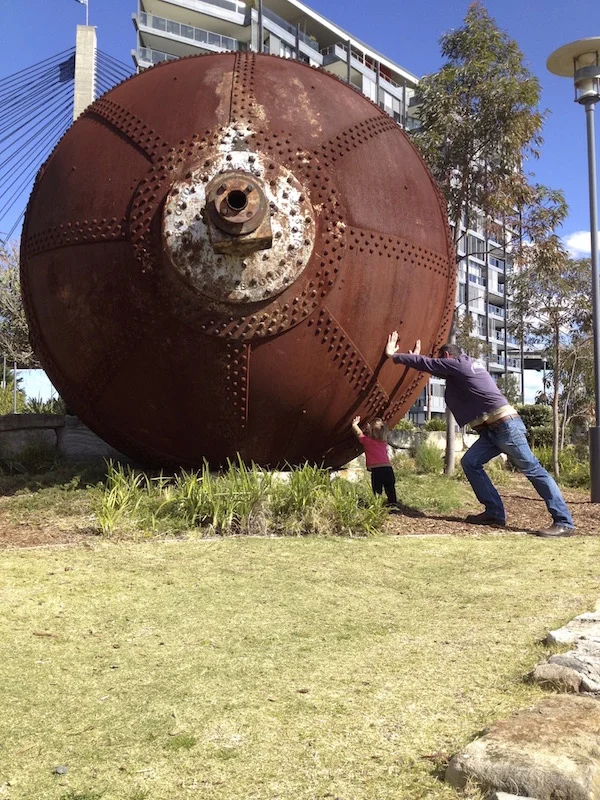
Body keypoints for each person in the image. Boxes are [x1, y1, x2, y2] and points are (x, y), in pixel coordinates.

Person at [385, 332, 574, 538]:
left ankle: (564, 521)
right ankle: (494, 513)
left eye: (441, 362)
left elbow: (430, 365)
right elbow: (430, 367)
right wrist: (415, 360)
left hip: (506, 427)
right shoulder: (465, 366)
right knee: (470, 462)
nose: (440, 366)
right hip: (492, 431)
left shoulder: (458, 364)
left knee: (533, 470)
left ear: (447, 357)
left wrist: (394, 356)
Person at [352, 415, 397, 506]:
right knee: (390, 488)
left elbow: (359, 433)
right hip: (388, 469)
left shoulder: (368, 442)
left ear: (371, 432)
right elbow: (379, 432)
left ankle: (377, 504)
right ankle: (393, 504)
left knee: (377, 490)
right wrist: (370, 429)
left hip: (377, 471)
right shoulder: (384, 442)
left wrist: (354, 425)